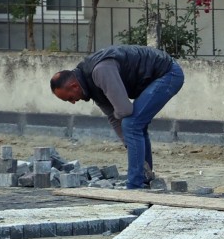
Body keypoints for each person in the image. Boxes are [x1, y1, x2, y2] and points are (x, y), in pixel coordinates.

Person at [50, 45, 186, 190]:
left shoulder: (101, 71)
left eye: (70, 98)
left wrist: (130, 138)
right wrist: (129, 144)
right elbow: (114, 117)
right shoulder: (90, 85)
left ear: (74, 86)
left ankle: (135, 185)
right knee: (135, 125)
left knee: (132, 123)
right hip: (154, 77)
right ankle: (145, 177)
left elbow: (125, 110)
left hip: (168, 73)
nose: (73, 102)